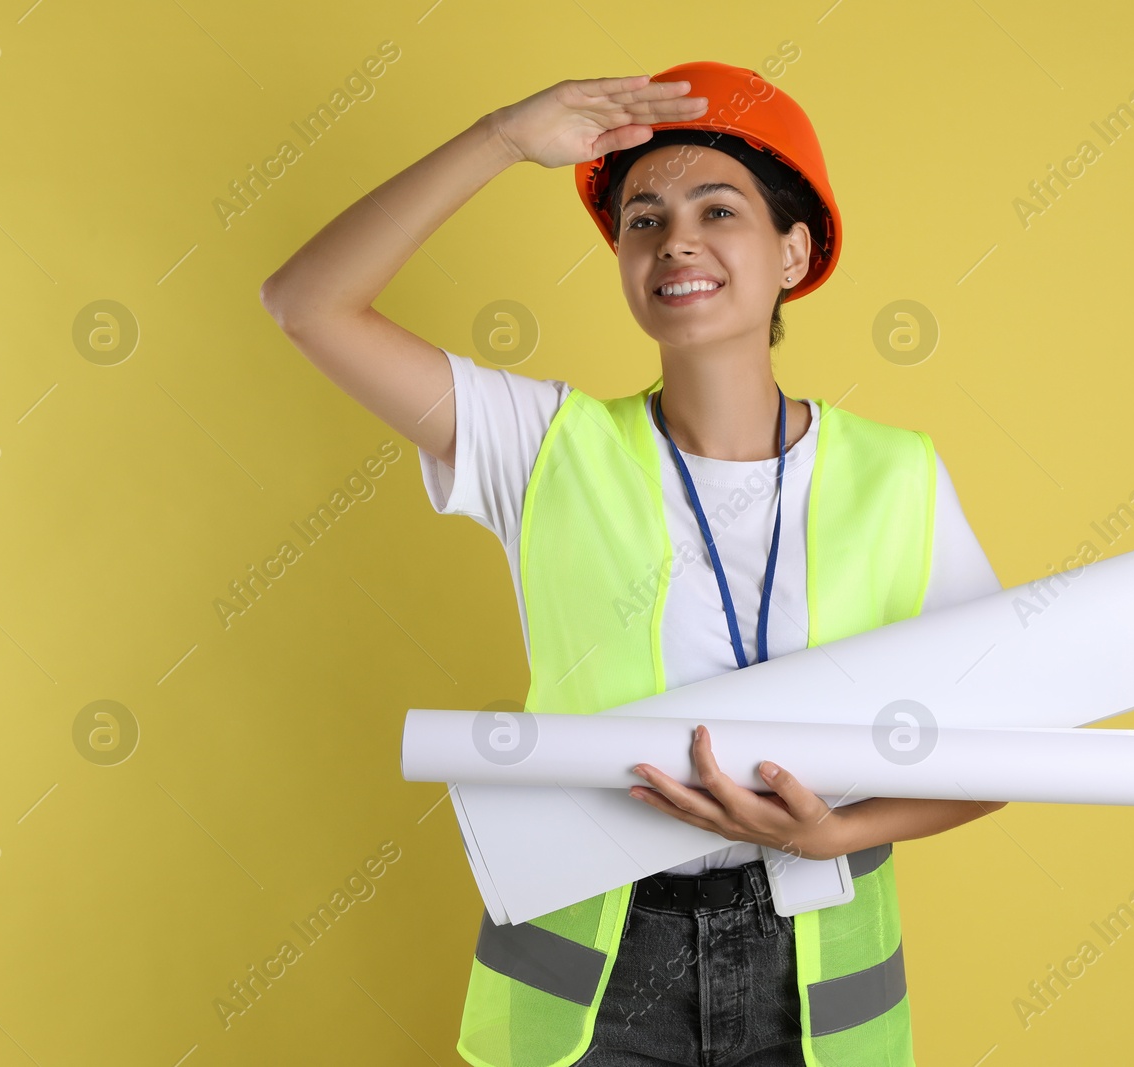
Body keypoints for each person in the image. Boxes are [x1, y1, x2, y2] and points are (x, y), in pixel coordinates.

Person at [262, 62, 1009, 1067]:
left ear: (793, 251)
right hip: (593, 974)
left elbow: (1001, 746)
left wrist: (836, 831)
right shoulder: (541, 444)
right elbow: (307, 303)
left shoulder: (898, 473)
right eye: (642, 219)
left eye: (717, 209)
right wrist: (499, 137)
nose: (676, 241)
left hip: (815, 975)